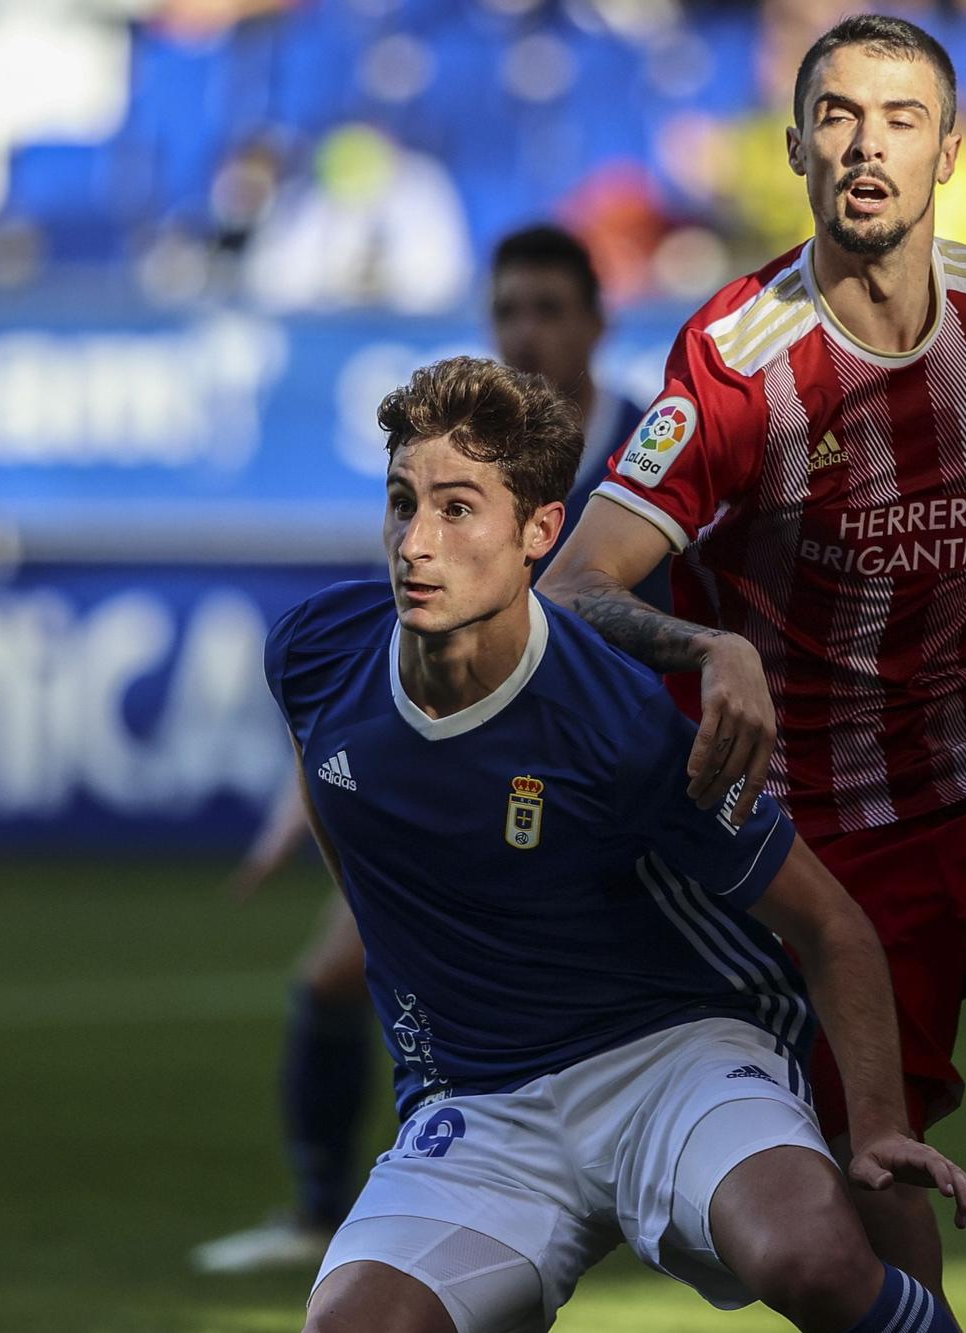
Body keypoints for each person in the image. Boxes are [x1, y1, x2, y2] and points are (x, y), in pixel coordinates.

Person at [539, 13, 966, 1322]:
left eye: (902, 119)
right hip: (822, 849)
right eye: (842, 118)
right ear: (801, 150)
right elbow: (575, 588)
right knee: (880, 1272)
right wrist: (711, 650)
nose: (870, 145)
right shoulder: (738, 363)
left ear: (950, 155)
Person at [287, 354, 966, 1333]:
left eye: (454, 508)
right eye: (401, 501)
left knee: (813, 1261)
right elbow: (346, 825)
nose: (414, 541)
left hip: (673, 1059)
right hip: (482, 1109)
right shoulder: (313, 653)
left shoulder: (622, 726)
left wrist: (872, 1132)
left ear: (538, 532)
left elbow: (826, 926)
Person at [192, 224, 660, 1275]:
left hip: (620, 786)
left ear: (597, 321)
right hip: (461, 784)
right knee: (327, 974)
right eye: (508, 310)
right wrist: (294, 806)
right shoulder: (463, 471)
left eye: (548, 308)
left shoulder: (651, 454)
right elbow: (391, 662)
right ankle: (320, 1206)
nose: (527, 331)